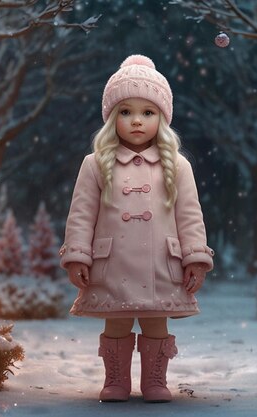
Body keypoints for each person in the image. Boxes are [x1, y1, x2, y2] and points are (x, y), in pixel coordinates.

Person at [59, 54, 214, 403]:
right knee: (116, 320)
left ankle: (155, 381)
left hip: (162, 263)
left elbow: (190, 215)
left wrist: (196, 259)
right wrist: (77, 256)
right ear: (112, 118)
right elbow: (81, 213)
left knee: (156, 321)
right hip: (112, 261)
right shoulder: (96, 164)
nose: (137, 121)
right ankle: (116, 380)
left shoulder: (178, 165)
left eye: (148, 112)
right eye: (125, 112)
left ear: (162, 118)